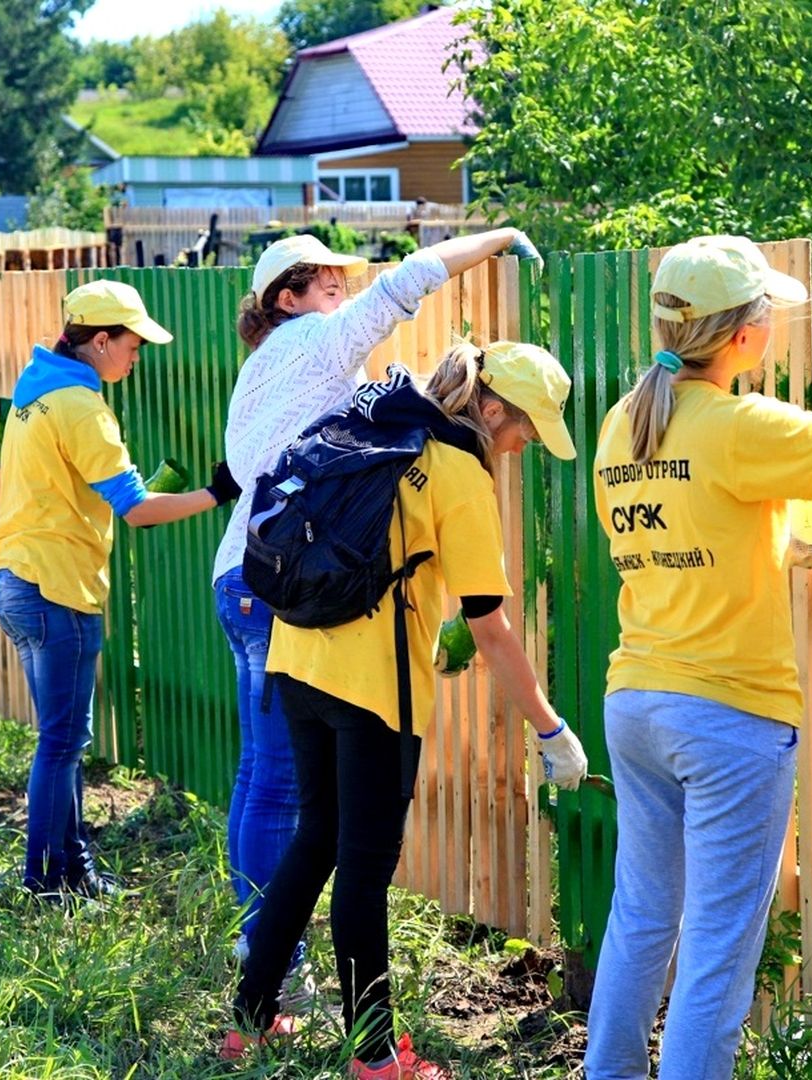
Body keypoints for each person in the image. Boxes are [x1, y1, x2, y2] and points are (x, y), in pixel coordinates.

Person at [582, 236, 812, 1080]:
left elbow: (688, 532)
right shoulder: (741, 424)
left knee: (641, 918)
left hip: (637, 701)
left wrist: (777, 543)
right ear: (745, 336)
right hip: (730, 716)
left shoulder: (624, 424)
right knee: (717, 948)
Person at [223, 341, 590, 1080]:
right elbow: (489, 625)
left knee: (314, 840)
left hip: (297, 656)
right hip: (373, 693)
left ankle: (250, 1021)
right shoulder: (457, 473)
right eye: (522, 430)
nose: (521, 446)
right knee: (362, 869)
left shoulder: (375, 422)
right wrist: (550, 729)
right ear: (490, 410)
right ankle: (378, 1059)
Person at [216, 226, 547, 997]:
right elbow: (411, 281)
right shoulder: (328, 350)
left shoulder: (275, 372)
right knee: (342, 849)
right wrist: (496, 236)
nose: (341, 290)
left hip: (260, 582)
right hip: (324, 630)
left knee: (288, 805)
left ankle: (254, 993)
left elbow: (245, 469)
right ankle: (348, 1031)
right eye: (323, 281)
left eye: (340, 279)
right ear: (286, 299)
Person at [0, 280, 239, 900]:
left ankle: (71, 869)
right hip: (58, 586)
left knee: (63, 739)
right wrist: (216, 494)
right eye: (132, 344)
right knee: (62, 742)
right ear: (99, 341)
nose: (137, 356)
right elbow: (134, 508)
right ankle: (46, 881)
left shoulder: (34, 385)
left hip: (16, 576)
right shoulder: (82, 407)